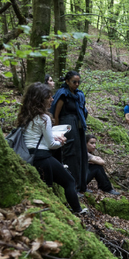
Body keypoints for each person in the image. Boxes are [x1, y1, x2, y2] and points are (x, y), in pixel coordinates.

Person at [18, 82, 84, 214]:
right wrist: (62, 141)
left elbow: (34, 137)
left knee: (44, 187)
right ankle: (78, 211)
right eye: (49, 97)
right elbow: (50, 145)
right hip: (43, 157)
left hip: (27, 156)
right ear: (41, 99)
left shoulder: (25, 115)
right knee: (69, 181)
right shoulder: (44, 118)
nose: (52, 99)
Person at [51, 71, 89, 194]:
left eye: (78, 82)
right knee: (71, 155)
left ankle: (82, 185)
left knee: (81, 154)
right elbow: (56, 114)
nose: (77, 84)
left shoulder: (78, 95)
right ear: (67, 81)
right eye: (74, 82)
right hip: (67, 126)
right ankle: (73, 186)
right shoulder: (63, 94)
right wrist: (56, 132)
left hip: (78, 127)